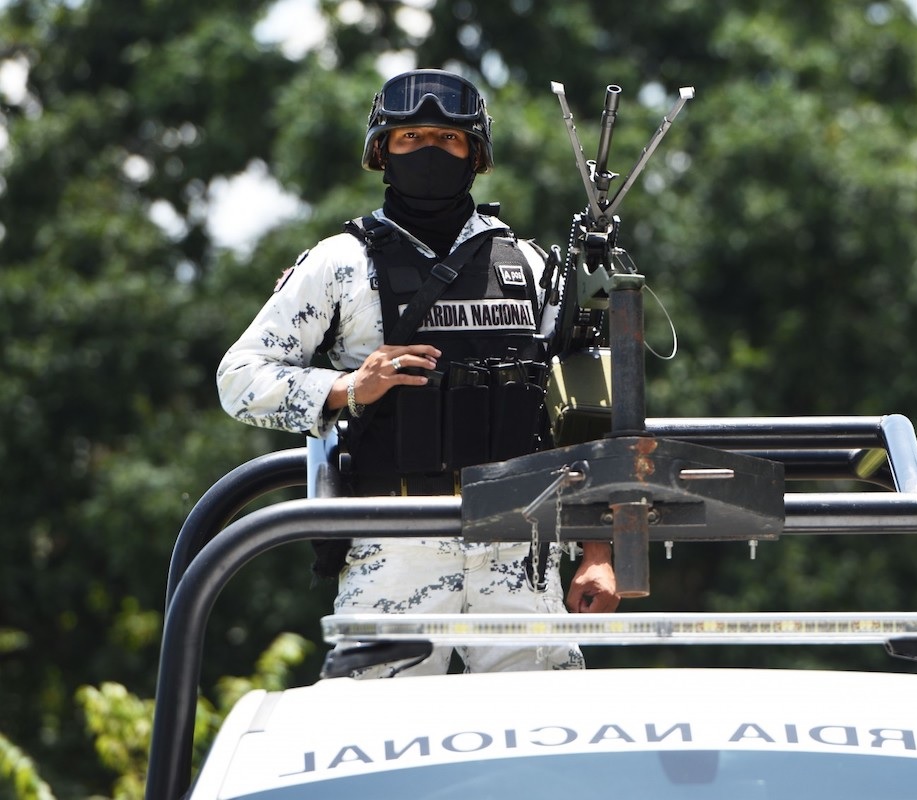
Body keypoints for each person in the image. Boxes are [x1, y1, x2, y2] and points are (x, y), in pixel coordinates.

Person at [217, 69, 619, 677]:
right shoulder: (341, 263)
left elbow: (581, 416)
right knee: (378, 728)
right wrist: (347, 388)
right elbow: (239, 378)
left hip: (517, 546)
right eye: (411, 138)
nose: (429, 150)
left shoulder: (532, 265)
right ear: (383, 152)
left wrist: (598, 551)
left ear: (475, 156)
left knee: (542, 730)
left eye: (447, 139)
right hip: (393, 538)